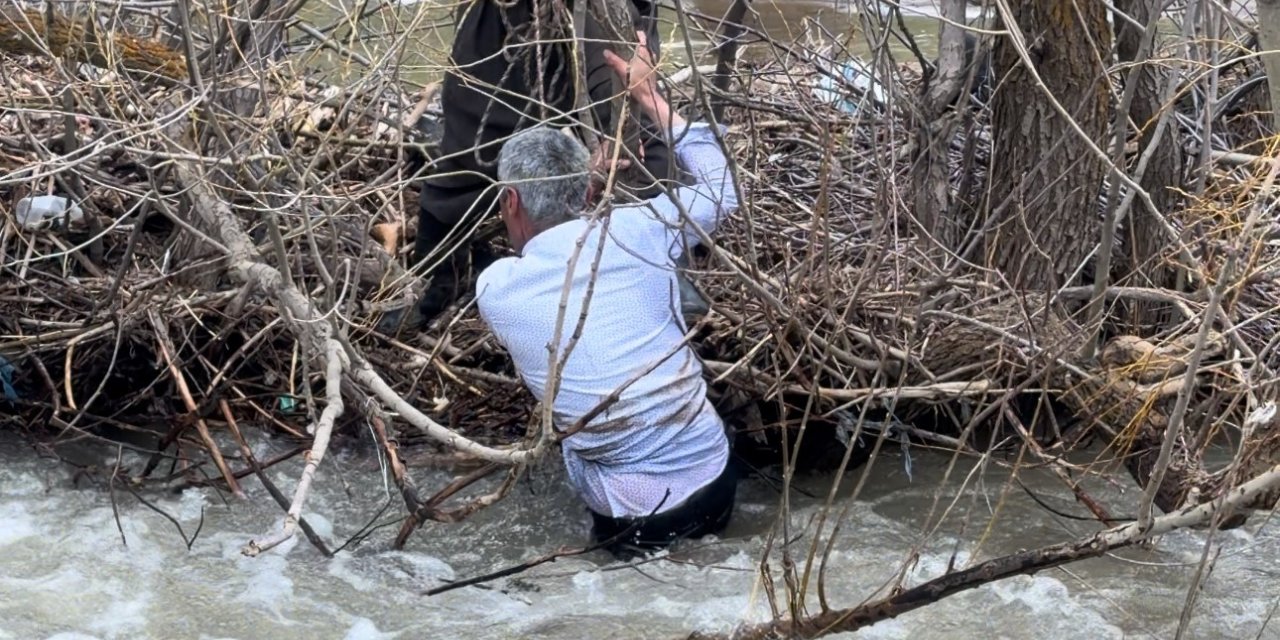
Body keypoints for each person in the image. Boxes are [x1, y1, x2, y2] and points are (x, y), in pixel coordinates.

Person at [474, 33, 739, 556]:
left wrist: (586, 180)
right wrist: (650, 98)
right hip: (716, 479)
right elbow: (722, 191)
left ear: (510, 202)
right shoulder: (641, 229)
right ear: (589, 192)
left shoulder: (496, 290)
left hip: (636, 518)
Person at [402, 0, 686, 329]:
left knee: (635, 127)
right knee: (472, 132)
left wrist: (621, 127)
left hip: (606, 8)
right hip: (510, 16)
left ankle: (666, 269)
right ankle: (439, 276)